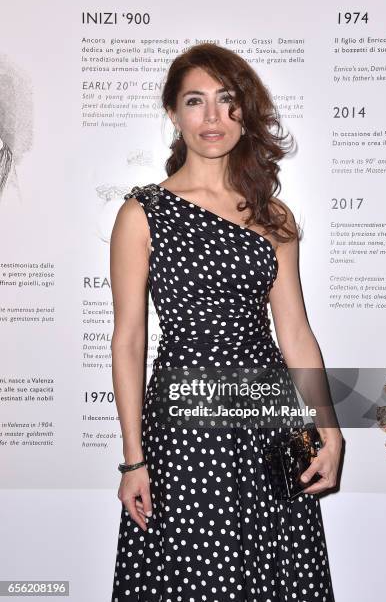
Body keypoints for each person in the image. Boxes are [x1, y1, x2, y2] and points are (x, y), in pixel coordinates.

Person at [110, 42, 343, 602]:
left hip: (269, 422)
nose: (212, 118)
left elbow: (295, 334)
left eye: (227, 100)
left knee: (274, 570)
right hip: (186, 430)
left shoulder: (272, 215)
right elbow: (129, 341)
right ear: (173, 113)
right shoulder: (142, 213)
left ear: (245, 112)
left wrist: (330, 431)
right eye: (195, 101)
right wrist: (134, 459)